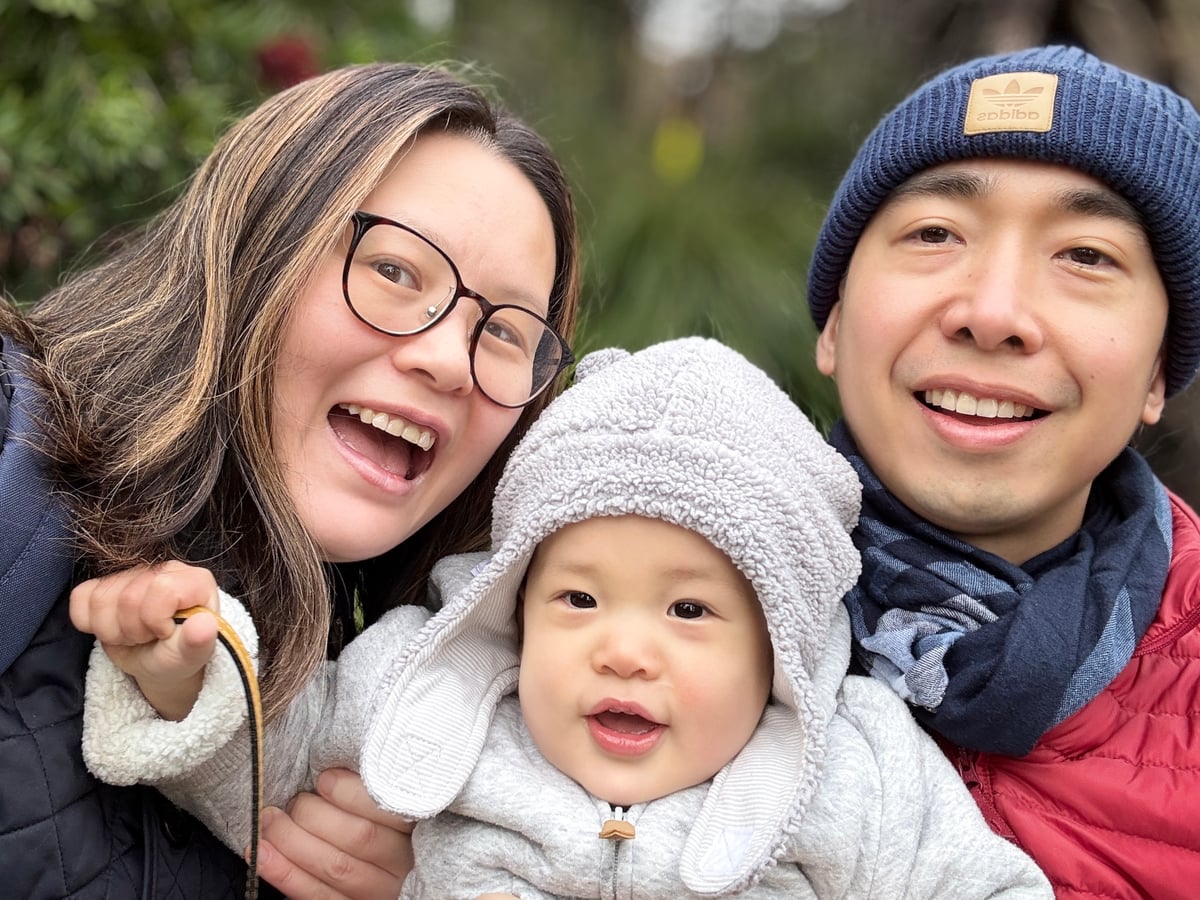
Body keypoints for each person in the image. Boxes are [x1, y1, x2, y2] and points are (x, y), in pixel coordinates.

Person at [75, 337, 1051, 897]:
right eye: (578, 598)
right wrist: (184, 674)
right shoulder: (428, 694)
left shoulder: (860, 768)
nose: (622, 649)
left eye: (690, 608)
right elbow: (270, 767)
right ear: (518, 605)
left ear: (778, 645)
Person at [0, 60, 580, 899]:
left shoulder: (392, 759)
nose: (452, 361)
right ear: (259, 246)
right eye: (394, 271)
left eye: (504, 333)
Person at [806, 44, 1200, 898]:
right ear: (833, 323)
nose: (992, 314)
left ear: (1161, 371)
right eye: (935, 233)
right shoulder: (615, 581)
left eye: (1086, 256)